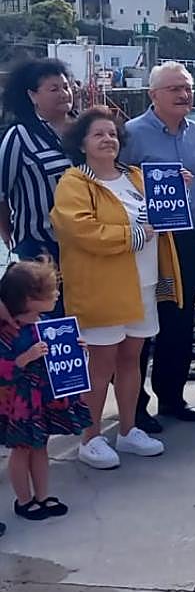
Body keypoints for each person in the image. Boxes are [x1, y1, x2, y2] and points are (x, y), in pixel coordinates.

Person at [52, 107, 182, 469]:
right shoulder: (74, 183)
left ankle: (128, 430)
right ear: (82, 143)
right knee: (100, 363)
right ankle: (89, 437)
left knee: (131, 358)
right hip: (102, 287)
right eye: (98, 134)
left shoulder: (138, 177)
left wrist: (175, 188)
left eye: (112, 133)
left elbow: (163, 215)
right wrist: (133, 236)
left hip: (142, 283)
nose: (108, 139)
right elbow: (80, 231)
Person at [123, 61, 195, 431]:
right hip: (149, 241)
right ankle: (135, 406)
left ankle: (171, 396)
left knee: (181, 318)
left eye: (187, 87)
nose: (183, 94)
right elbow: (117, 185)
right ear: (153, 94)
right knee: (143, 321)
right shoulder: (131, 134)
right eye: (174, 88)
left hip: (187, 238)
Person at [0, 260, 91, 525]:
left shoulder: (48, 323)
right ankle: (24, 500)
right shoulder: (8, 333)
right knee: (21, 450)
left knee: (40, 446)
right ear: (28, 300)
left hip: (44, 398)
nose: (56, 294)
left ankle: (42, 495)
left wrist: (75, 349)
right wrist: (24, 359)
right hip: (20, 403)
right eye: (49, 292)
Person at [0, 58, 74, 270]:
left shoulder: (83, 129)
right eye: (54, 89)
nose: (63, 93)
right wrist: (9, 237)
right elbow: (1, 193)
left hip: (83, 241)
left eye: (66, 87)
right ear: (33, 96)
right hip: (39, 246)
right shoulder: (19, 136)